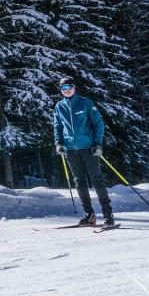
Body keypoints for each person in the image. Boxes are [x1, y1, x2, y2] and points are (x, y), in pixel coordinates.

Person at [53, 76, 115, 227]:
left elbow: (98, 123)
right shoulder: (59, 106)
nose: (66, 91)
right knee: (79, 182)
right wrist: (58, 143)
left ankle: (108, 215)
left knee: (97, 180)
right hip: (70, 150)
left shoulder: (86, 103)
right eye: (63, 88)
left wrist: (98, 144)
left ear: (74, 87)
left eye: (68, 87)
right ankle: (89, 214)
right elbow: (58, 126)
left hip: (89, 148)